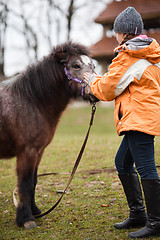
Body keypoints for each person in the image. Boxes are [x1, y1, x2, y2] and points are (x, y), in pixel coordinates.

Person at [84, 6, 160, 239]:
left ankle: (156, 223)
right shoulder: (150, 52)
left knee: (146, 167)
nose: (114, 35)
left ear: (124, 33)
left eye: (116, 31)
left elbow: (107, 90)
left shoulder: (128, 55)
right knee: (122, 163)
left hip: (139, 117)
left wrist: (91, 79)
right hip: (141, 116)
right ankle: (138, 214)